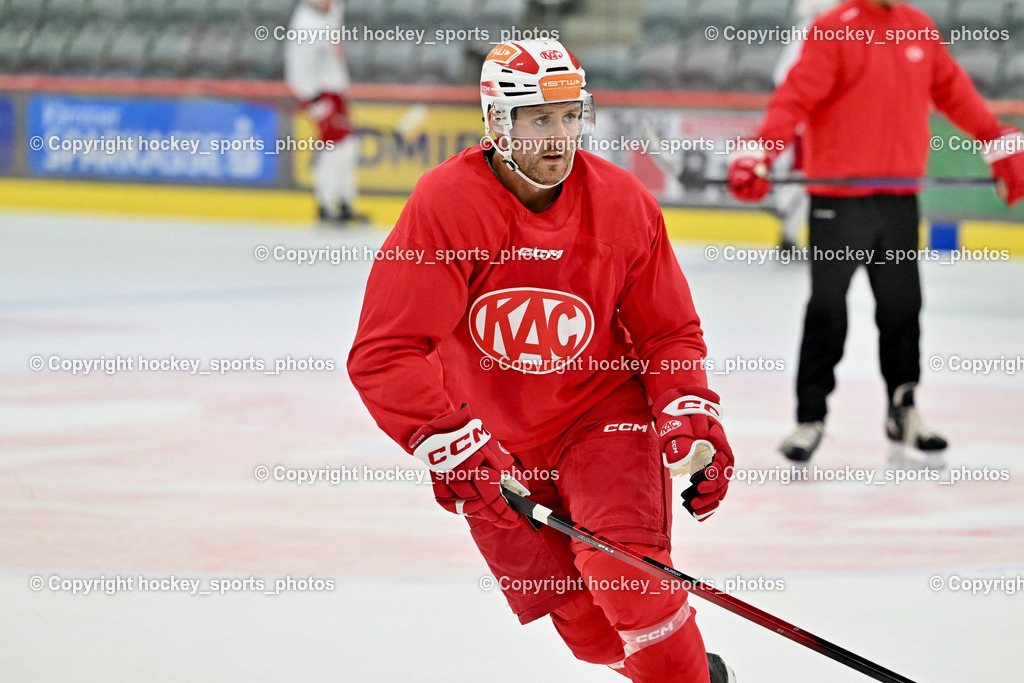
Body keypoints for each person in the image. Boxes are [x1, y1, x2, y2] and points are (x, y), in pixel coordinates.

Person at [348, 40, 736, 683]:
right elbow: (386, 351)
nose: (558, 138)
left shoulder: (622, 203)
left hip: (600, 418)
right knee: (589, 633)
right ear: (498, 121)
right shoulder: (447, 205)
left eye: (568, 117)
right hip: (493, 443)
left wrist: (686, 416)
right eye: (538, 119)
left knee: (627, 576)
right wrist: (447, 441)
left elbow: (669, 331)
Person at [727, 0, 1024, 462]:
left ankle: (903, 412)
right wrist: (760, 151)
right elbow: (795, 99)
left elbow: (954, 92)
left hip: (899, 200)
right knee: (827, 308)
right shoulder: (833, 28)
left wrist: (995, 138)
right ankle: (810, 418)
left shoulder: (917, 27)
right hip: (838, 203)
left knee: (902, 308)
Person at [284, 0, 367, 225]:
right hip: (321, 94)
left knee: (348, 147)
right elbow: (298, 68)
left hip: (336, 88)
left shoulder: (333, 9)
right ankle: (326, 205)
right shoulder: (305, 27)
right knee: (333, 148)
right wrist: (313, 101)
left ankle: (345, 201)